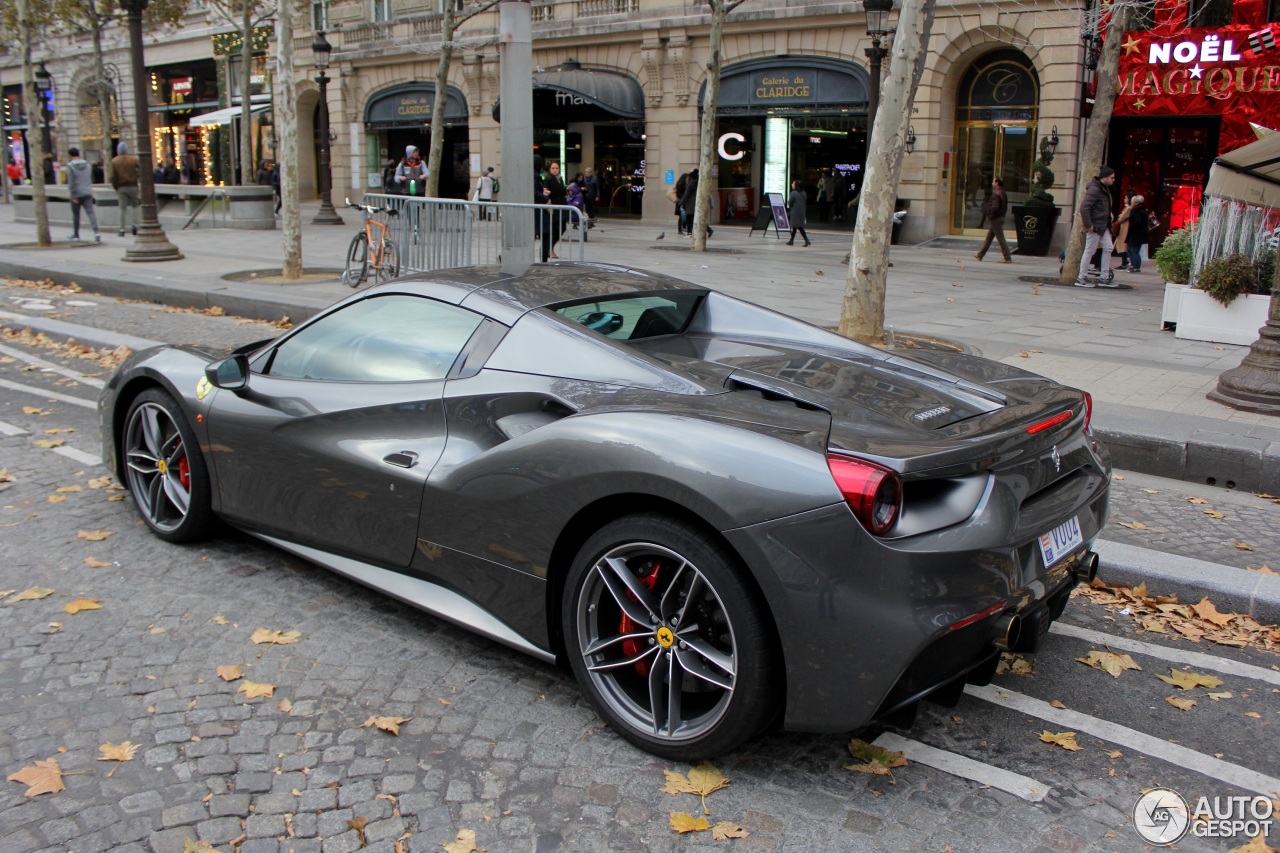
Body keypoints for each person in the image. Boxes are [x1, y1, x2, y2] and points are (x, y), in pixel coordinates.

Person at [1076, 166, 1117, 288]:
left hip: (1102, 225)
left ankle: (1104, 277)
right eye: (1111, 177)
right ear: (1104, 177)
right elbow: (1084, 207)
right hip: (1096, 225)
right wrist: (1089, 225)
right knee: (1090, 250)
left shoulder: (1103, 188)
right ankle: (1081, 277)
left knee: (1108, 247)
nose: (1113, 180)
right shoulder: (1095, 189)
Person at [64, 147, 101, 243]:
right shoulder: (88, 165)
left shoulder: (70, 166)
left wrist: (73, 195)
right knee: (91, 213)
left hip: (77, 193)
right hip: (87, 192)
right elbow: (91, 178)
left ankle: (76, 234)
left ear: (70, 155)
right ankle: (96, 232)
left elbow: (71, 182)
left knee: (76, 215)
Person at [974, 176, 1012, 263]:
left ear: (997, 183)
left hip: (996, 219)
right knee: (989, 237)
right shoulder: (1003, 192)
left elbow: (995, 207)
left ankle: (1007, 257)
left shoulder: (997, 194)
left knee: (1000, 238)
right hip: (1000, 217)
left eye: (993, 181)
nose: (992, 183)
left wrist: (990, 216)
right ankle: (980, 255)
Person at [110, 141, 140, 237]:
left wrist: (116, 187)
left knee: (122, 208)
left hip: (121, 187)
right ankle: (135, 224)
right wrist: (137, 178)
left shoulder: (114, 161)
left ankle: (122, 229)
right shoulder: (133, 159)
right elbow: (141, 169)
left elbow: (112, 176)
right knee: (135, 206)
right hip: (133, 185)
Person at [679, 168, 713, 239]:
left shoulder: (691, 183)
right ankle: (708, 230)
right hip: (698, 202)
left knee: (690, 218)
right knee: (698, 218)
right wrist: (711, 203)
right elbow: (707, 193)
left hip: (691, 203)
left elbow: (686, 194)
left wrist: (681, 202)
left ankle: (689, 233)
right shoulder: (700, 182)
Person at [544, 160, 567, 259]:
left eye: (556, 168)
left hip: (562, 206)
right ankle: (549, 249)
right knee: (554, 229)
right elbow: (546, 192)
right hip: (554, 207)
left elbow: (562, 190)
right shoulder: (548, 179)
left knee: (562, 227)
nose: (554, 170)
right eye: (553, 168)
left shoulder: (560, 179)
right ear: (549, 169)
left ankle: (550, 248)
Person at [1123, 194, 1150, 273]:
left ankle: (1136, 266)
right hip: (1139, 234)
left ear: (1136, 202)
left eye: (1132, 202)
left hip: (1135, 234)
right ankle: (1135, 265)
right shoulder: (1143, 210)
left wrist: (1131, 226)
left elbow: (1137, 222)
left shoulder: (1136, 210)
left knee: (1133, 250)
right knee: (1131, 249)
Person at [786, 178, 811, 247]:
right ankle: (791, 240)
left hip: (795, 213)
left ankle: (806, 240)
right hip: (802, 212)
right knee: (795, 227)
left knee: (799, 227)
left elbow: (790, 203)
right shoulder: (804, 193)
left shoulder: (793, 193)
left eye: (793, 184)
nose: (792, 185)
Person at [567, 172, 588, 242]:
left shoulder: (577, 196)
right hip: (573, 212)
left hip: (575, 214)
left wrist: (569, 200)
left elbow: (574, 205)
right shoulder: (572, 194)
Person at [674, 170, 689, 235]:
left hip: (682, 201)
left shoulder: (682, 183)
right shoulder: (681, 183)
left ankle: (683, 228)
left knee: (683, 216)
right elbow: (679, 193)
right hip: (681, 202)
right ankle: (680, 229)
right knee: (681, 216)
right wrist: (684, 198)